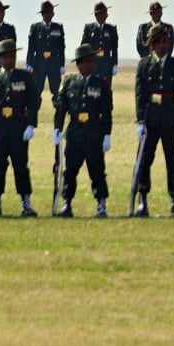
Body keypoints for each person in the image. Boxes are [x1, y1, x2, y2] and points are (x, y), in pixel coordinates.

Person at [131, 24, 174, 217]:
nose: (164, 45)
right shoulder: (144, 64)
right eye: (160, 42)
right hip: (150, 118)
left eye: (166, 41)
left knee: (171, 161)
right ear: (152, 44)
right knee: (145, 160)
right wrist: (140, 121)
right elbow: (140, 94)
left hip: (169, 117)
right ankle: (143, 200)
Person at [0, 38, 42, 217]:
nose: (9, 60)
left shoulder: (25, 76)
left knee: (21, 165)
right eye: (5, 57)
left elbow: (34, 101)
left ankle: (26, 203)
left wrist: (31, 124)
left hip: (19, 126)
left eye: (12, 56)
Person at [53, 42, 114, 217]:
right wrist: (57, 129)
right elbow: (61, 108)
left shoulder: (101, 83)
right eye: (85, 61)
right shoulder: (69, 82)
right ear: (78, 63)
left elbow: (106, 112)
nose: (89, 65)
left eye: (91, 61)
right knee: (70, 171)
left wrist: (107, 134)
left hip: (94, 134)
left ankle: (101, 204)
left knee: (97, 171)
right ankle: (67, 203)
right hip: (75, 134)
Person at [27, 1, 66, 95]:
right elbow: (31, 48)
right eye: (45, 13)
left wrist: (62, 65)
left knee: (57, 92)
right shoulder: (35, 27)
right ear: (42, 14)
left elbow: (61, 48)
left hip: (54, 65)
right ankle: (33, 110)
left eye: (50, 12)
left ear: (53, 14)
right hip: (38, 65)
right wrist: (29, 65)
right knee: (36, 92)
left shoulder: (58, 27)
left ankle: (59, 109)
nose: (48, 15)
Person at [81, 3, 117, 83]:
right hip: (92, 64)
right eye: (101, 14)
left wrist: (115, 64)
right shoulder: (89, 28)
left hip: (107, 65)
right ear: (96, 15)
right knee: (91, 88)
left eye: (105, 13)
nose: (104, 16)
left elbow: (114, 48)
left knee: (106, 90)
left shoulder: (111, 29)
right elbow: (83, 47)